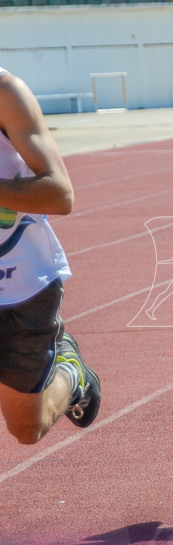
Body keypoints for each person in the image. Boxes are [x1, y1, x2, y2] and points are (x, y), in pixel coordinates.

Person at [0, 67, 101, 445]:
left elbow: (59, 194)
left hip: (21, 288)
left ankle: (71, 373)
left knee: (28, 428)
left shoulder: (6, 92)